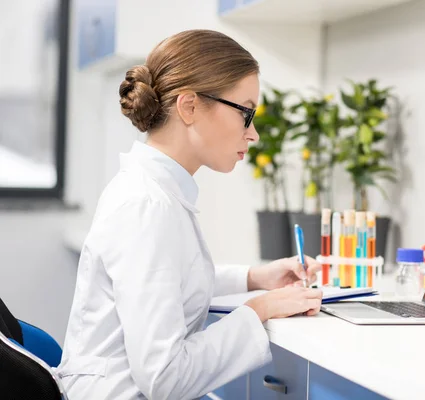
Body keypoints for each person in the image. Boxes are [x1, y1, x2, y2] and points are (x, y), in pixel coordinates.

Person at [56, 29, 323, 400]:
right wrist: (259, 310)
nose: (254, 134)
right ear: (189, 107)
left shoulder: (155, 192)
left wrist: (255, 278)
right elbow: (165, 377)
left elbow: (168, 282)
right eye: (246, 113)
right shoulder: (146, 206)